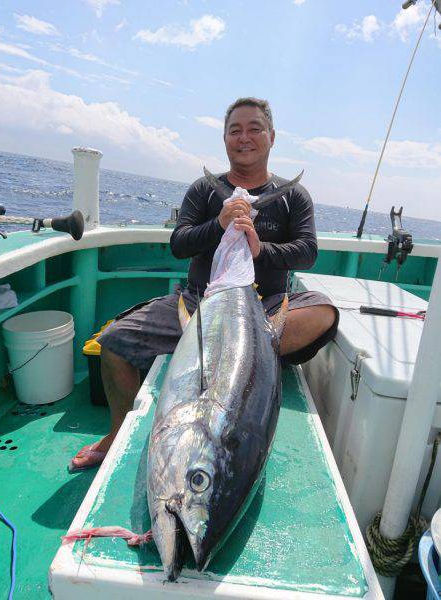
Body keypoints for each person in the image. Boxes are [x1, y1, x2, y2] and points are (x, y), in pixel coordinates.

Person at [69, 97, 338, 472]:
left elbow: (307, 252)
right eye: (235, 130)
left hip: (266, 307)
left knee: (324, 312)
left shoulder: (293, 196)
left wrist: (259, 249)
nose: (244, 137)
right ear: (225, 139)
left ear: (272, 137)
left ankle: (242, 352)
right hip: (198, 305)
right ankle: (117, 434)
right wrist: (220, 224)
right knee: (114, 343)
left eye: (254, 128)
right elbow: (179, 244)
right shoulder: (204, 190)